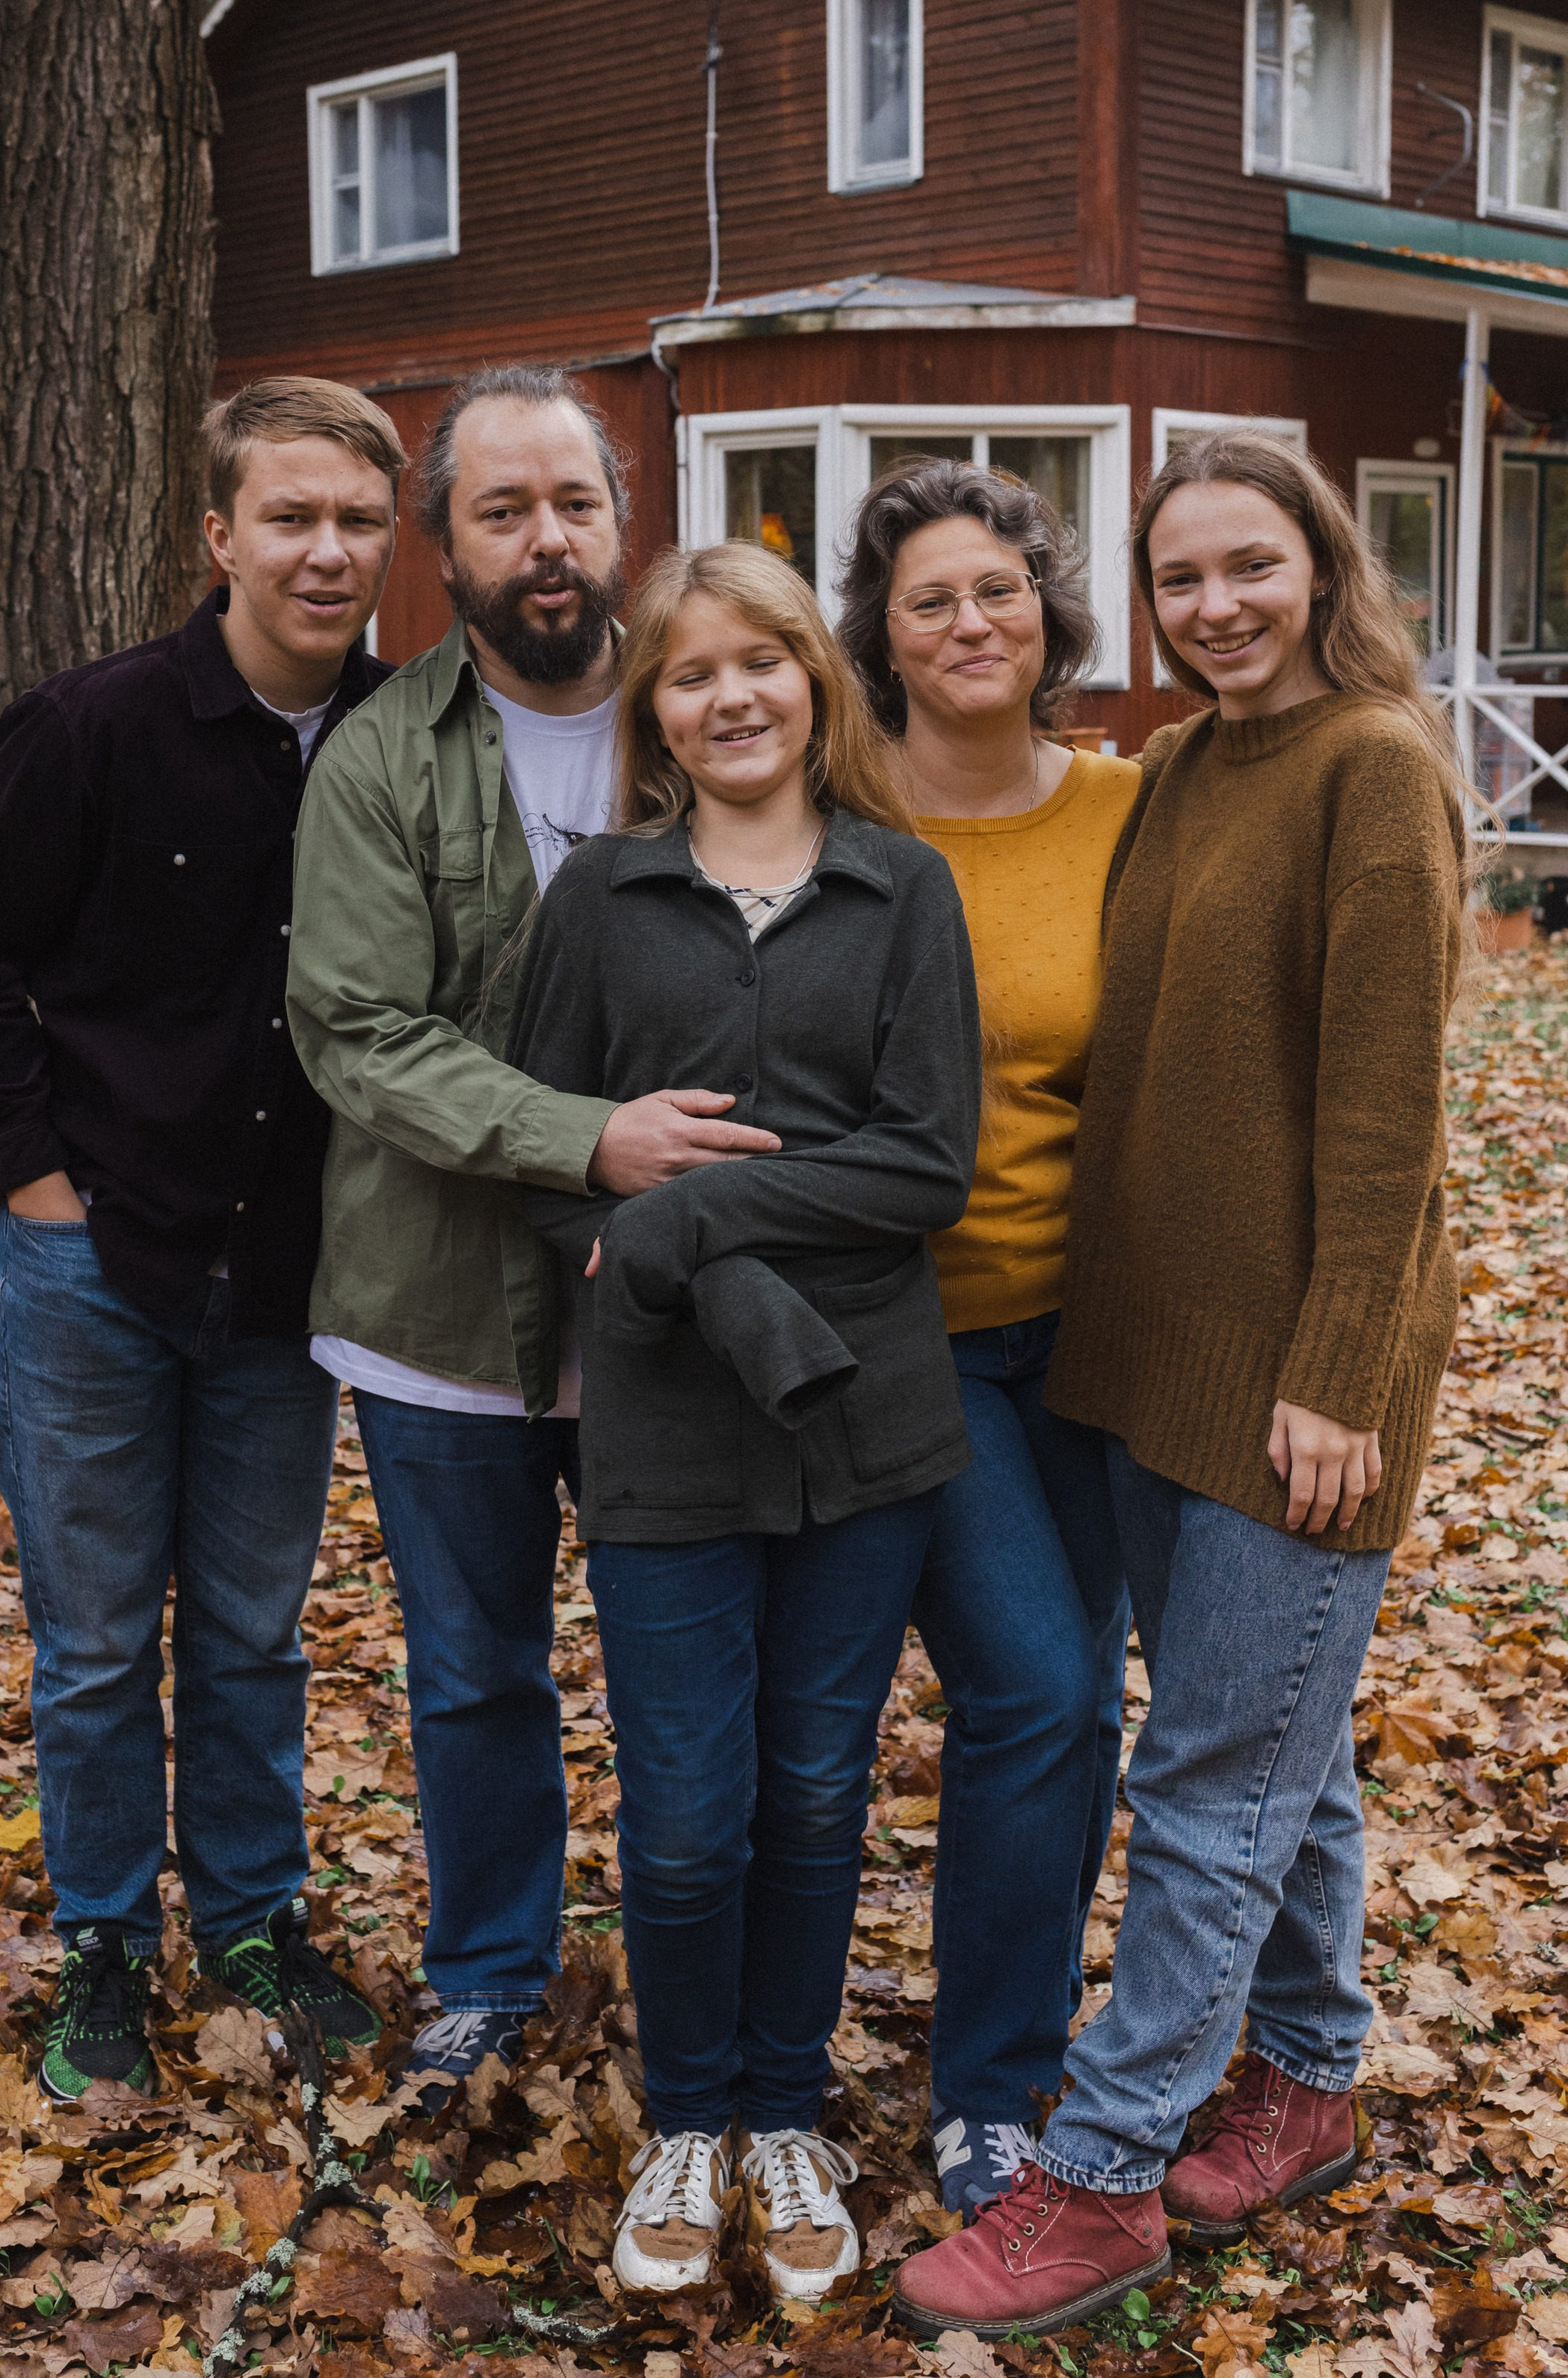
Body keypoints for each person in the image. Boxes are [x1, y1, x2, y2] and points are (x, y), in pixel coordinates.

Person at [895, 429, 1468, 2341]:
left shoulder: (1371, 772)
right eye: (1178, 580)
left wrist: (1333, 1376)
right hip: (1143, 1354)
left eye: (1249, 566)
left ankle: (1103, 2176)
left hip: (1301, 1375)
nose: (1213, 606)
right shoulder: (1183, 772)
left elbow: (1388, 1112)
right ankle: (1303, 2075)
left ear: (1317, 563)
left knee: (1212, 1779)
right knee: (1273, 1759)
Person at [286, 369, 783, 2098]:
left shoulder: (706, 719)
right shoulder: (376, 757)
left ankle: (697, 1981)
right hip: (435, 1313)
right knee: (477, 1670)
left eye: (570, 501)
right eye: (501, 511)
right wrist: (588, 1140)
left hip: (676, 1309)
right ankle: (489, 1974)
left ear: (618, 520)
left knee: (689, 1673)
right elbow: (356, 1029)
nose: (544, 539)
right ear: (445, 548)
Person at [0, 375, 404, 2101]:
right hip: (94, 1263)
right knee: (101, 1635)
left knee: (256, 1631)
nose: (323, 550)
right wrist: (35, 1183)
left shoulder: (411, 741)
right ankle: (108, 1941)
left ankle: (253, 1916)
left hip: (289, 1277)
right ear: (219, 536)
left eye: (354, 520)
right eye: (290, 517)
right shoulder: (93, 728)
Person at [506, 541, 982, 2305]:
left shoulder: (899, 888)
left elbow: (927, 1162)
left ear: (811, 681)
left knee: (810, 1785)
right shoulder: (603, 898)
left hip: (865, 1413)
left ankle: (788, 2110)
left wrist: (694, 1212)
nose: (731, 697)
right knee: (691, 1805)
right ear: (658, 713)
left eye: (761, 663)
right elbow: (550, 1154)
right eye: (692, 675)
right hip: (662, 1424)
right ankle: (688, 2121)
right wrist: (638, 1233)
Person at [836, 459, 1138, 2214]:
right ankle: (990, 2092)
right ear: (879, 631)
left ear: (1047, 611)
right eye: (931, 597)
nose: (971, 621)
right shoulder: (832, 810)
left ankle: (1004, 2061)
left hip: (1086, 1334)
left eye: (1000, 589)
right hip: (905, 1332)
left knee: (1064, 1707)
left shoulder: (1126, 805)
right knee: (1036, 1683)